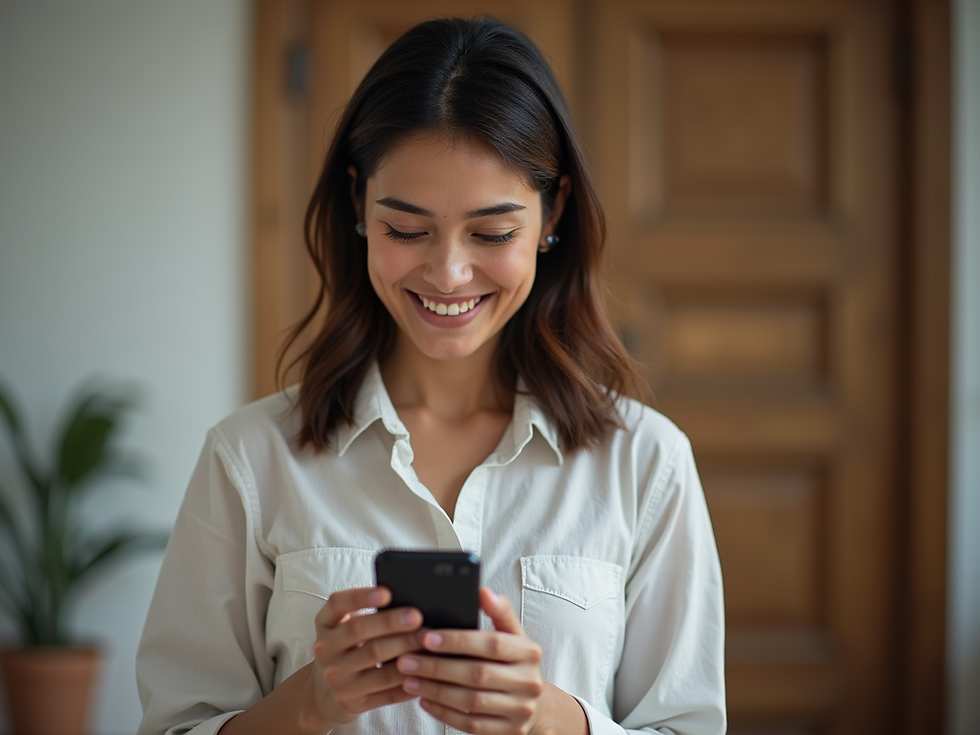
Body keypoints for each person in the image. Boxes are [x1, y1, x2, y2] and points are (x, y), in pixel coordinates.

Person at [136, 16, 725, 735]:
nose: (447, 273)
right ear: (357, 205)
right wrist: (307, 704)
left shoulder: (646, 463)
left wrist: (551, 717)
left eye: (493, 233)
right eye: (407, 229)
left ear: (553, 214)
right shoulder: (250, 458)